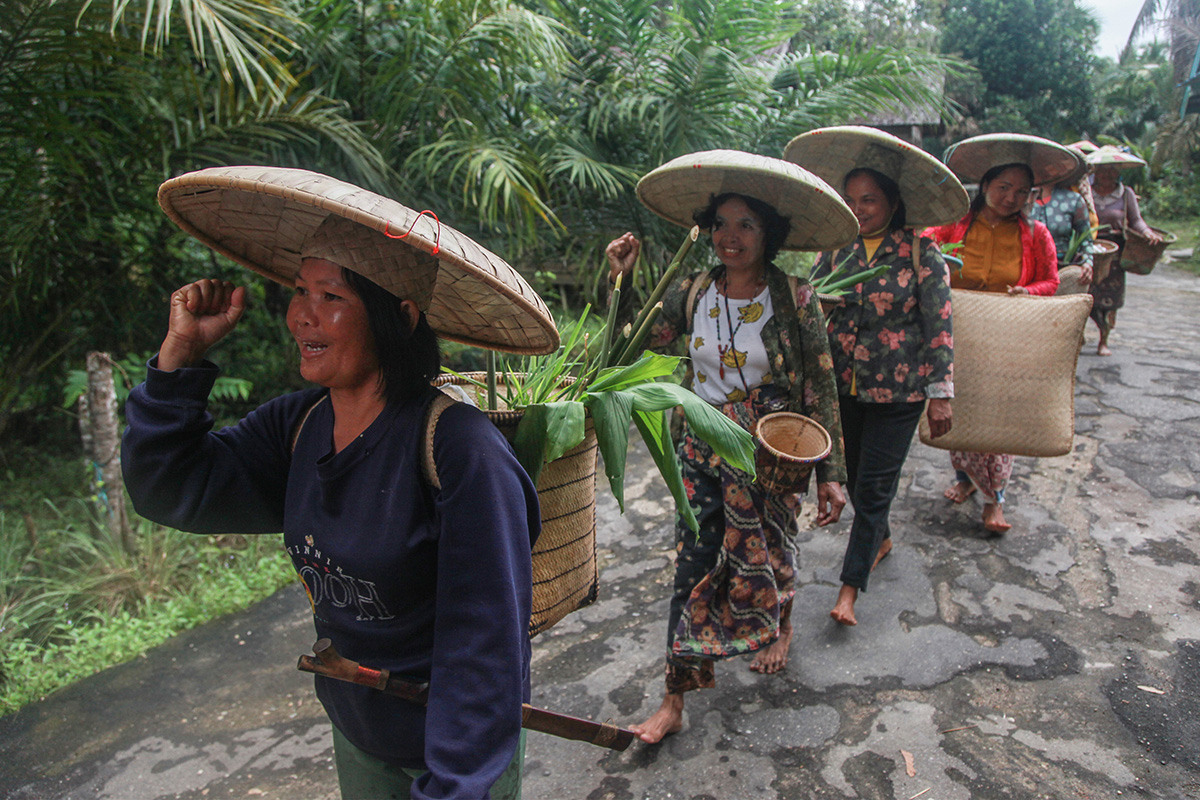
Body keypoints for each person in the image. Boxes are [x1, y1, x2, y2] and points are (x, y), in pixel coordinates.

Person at [124, 167, 560, 800]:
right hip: (358, 734)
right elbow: (168, 488)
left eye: (331, 298)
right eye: (300, 291)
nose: (302, 315)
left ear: (399, 317)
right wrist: (177, 361)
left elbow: (487, 648)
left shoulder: (460, 451)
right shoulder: (298, 426)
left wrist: (453, 785)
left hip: (456, 759)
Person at [607, 150, 855, 743]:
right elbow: (635, 342)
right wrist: (620, 277)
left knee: (771, 547)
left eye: (745, 224)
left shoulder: (795, 298)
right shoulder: (692, 293)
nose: (730, 236)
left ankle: (782, 619)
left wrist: (832, 475)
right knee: (690, 564)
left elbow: (821, 384)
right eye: (720, 223)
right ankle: (673, 699)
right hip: (697, 446)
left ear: (769, 233)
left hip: (770, 450)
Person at [783, 126, 962, 626]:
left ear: (892, 203)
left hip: (898, 392)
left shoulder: (919, 253)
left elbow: (940, 327)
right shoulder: (834, 251)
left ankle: (848, 591)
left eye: (871, 200)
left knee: (876, 488)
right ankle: (880, 536)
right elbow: (810, 315)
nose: (860, 209)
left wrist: (940, 395)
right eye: (853, 199)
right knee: (857, 482)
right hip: (841, 388)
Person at [925, 134, 1071, 535]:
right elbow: (926, 254)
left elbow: (1052, 281)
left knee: (999, 417)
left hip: (1007, 337)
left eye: (1022, 191)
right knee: (959, 408)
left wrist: (1028, 291)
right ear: (985, 185)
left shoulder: (1035, 235)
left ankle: (994, 500)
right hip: (957, 334)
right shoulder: (954, 225)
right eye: (1004, 187)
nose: (1011, 197)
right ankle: (964, 478)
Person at [1087, 147, 1162, 356]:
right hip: (1089, 250)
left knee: (1112, 299)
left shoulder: (1126, 193)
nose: (1107, 174)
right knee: (1087, 295)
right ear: (1096, 171)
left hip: (1116, 253)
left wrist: (1147, 233)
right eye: (1103, 169)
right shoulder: (1086, 191)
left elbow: (1136, 220)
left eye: (1113, 169)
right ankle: (1089, 330)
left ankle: (1104, 340)